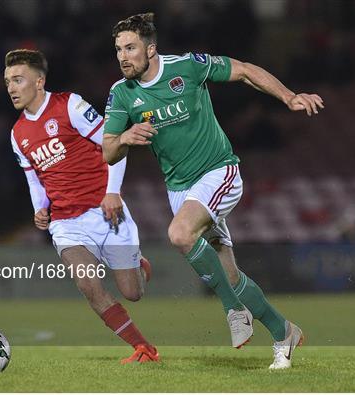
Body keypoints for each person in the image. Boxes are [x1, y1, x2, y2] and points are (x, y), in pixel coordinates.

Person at [102, 13, 324, 369]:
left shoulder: (189, 67)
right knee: (230, 276)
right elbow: (108, 150)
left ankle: (233, 310)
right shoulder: (121, 93)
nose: (123, 56)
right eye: (118, 50)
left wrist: (289, 96)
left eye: (130, 47)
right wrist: (125, 138)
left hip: (219, 172)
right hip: (180, 189)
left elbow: (246, 70)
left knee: (179, 233)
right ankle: (284, 332)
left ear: (151, 48)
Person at [4, 49, 158, 364]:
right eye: (7, 81)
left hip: (104, 210)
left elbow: (114, 145)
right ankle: (144, 349)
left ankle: (137, 263)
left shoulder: (69, 105)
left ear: (39, 81)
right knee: (88, 285)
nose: (11, 87)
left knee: (132, 292)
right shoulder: (17, 134)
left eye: (18, 79)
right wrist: (39, 208)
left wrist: (113, 193)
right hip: (65, 222)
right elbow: (35, 179)